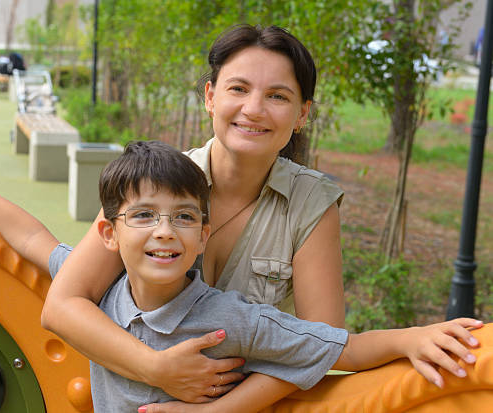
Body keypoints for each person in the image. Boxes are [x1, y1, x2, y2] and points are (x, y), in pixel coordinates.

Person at [0, 24, 355, 409]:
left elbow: (319, 347)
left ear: (302, 114)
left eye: (277, 96)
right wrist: (157, 368)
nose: (254, 109)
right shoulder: (157, 185)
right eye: (238, 88)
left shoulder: (311, 203)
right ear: (210, 96)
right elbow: (63, 299)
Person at [88, 140, 482, 412]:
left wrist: (409, 338)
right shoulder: (105, 296)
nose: (164, 230)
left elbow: (338, 346)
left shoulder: (231, 320)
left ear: (203, 236)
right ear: (110, 234)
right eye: (143, 216)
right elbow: (40, 247)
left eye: (184, 218)